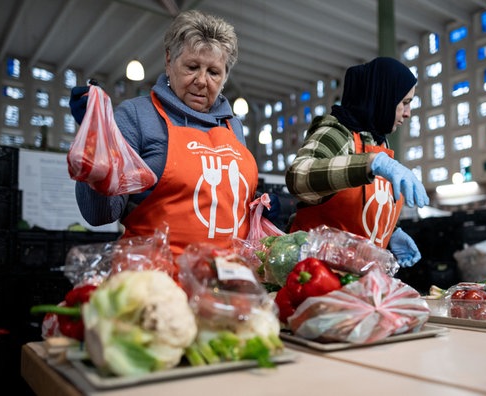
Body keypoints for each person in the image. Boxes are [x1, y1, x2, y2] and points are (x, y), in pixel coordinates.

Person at [69, 10, 257, 256]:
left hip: (223, 280)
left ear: (225, 77)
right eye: (192, 67)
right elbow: (101, 215)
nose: (202, 80)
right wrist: (96, 143)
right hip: (156, 277)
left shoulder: (234, 127)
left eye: (213, 72)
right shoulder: (136, 115)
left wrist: (259, 208)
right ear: (169, 62)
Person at [285, 57, 429, 268]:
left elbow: (360, 207)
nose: (407, 113)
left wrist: (391, 232)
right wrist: (370, 162)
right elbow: (298, 177)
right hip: (314, 272)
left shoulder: (377, 141)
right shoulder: (336, 132)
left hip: (354, 275)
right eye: (404, 102)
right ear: (383, 98)